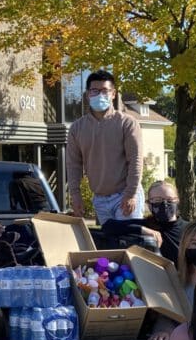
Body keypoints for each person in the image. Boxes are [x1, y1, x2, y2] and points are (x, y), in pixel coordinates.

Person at [67, 70, 161, 248]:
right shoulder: (77, 128)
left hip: (124, 195)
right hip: (100, 198)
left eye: (104, 90)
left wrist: (131, 193)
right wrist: (75, 195)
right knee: (109, 246)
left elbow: (135, 160)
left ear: (113, 93)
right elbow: (73, 165)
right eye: (94, 91)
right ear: (88, 94)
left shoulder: (127, 123)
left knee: (130, 245)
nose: (99, 95)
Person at [140, 181, 188, 264]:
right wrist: (141, 229)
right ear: (149, 204)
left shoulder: (189, 229)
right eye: (157, 200)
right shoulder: (145, 225)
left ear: (177, 201)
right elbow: (110, 226)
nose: (165, 204)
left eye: (169, 200)